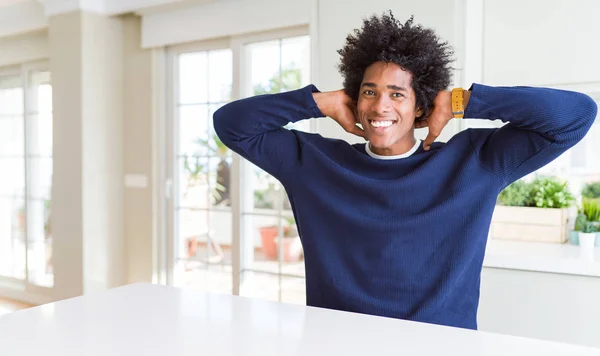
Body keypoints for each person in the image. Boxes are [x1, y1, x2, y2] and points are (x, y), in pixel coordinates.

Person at [213, 12, 597, 330]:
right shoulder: (313, 163)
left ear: (420, 107)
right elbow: (231, 123)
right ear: (355, 100)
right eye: (369, 91)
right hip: (335, 345)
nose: (381, 106)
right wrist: (318, 102)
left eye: (397, 94)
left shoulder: (475, 161)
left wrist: (463, 101)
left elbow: (576, 115)